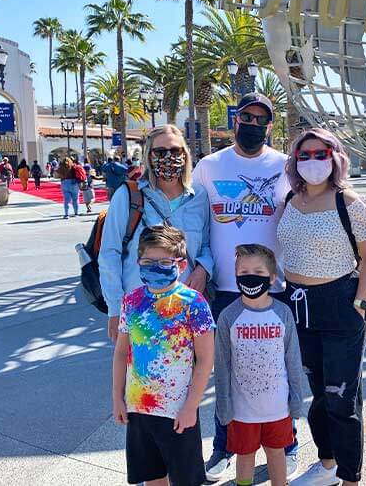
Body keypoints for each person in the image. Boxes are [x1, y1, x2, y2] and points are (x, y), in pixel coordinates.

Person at [192, 93, 298, 480]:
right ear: (234, 119)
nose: (252, 124)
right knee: (227, 371)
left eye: (260, 119)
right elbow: (196, 222)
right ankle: (224, 445)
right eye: (246, 117)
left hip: (275, 288)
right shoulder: (208, 166)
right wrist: (199, 268)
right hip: (224, 288)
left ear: (270, 125)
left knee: (280, 368)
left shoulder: (286, 165)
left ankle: (286, 443)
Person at [278, 128, 366, 486]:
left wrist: (360, 303)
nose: (311, 162)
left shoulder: (349, 202)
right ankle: (327, 464)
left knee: (342, 398)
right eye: (303, 155)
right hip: (298, 307)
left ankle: (350, 477)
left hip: (340, 306)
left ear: (334, 157)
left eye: (319, 154)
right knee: (318, 394)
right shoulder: (291, 198)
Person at [112, 225, 215, 486]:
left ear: (180, 266)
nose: (155, 268)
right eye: (148, 262)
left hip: (177, 411)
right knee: (151, 478)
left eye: (164, 262)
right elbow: (122, 351)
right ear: (138, 263)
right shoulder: (131, 301)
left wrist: (191, 407)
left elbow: (205, 360)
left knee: (185, 479)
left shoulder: (194, 303)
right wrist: (117, 397)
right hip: (139, 409)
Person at [100, 125, 213, 345]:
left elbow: (207, 244)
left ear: (185, 154)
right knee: (141, 375)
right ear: (149, 156)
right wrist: (115, 309)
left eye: (175, 151)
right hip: (140, 311)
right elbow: (109, 253)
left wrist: (203, 269)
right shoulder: (129, 195)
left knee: (189, 375)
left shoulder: (199, 196)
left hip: (186, 311)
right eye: (160, 152)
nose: (169, 157)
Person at [214, 244, 306, 486]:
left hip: (278, 407)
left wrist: (297, 398)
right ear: (235, 275)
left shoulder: (283, 313)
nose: (251, 276)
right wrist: (223, 404)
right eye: (243, 272)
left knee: (277, 454)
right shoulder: (228, 316)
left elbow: (293, 360)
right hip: (242, 410)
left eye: (258, 271)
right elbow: (221, 365)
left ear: (273, 278)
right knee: (245, 455)